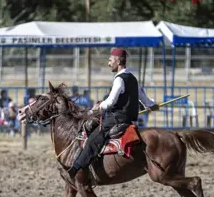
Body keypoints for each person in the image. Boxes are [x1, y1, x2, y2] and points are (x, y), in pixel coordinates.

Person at [68, 48, 159, 176]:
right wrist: (153, 105)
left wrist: (96, 108)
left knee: (93, 139)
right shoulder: (133, 78)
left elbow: (110, 102)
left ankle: (76, 168)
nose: (108, 63)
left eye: (110, 60)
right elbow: (144, 99)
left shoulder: (119, 79)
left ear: (118, 61)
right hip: (129, 119)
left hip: (116, 119)